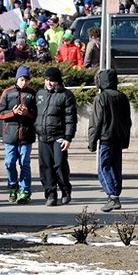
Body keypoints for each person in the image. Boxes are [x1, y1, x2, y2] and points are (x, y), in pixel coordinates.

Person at [88, 69, 132, 212]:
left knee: (103, 167)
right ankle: (115, 194)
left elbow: (96, 122)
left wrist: (92, 141)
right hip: (119, 138)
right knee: (115, 167)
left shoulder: (101, 98)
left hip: (106, 138)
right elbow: (127, 121)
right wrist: (126, 140)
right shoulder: (122, 97)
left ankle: (112, 196)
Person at [36, 67, 77, 206]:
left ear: (58, 81)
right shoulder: (40, 94)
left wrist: (68, 137)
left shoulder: (66, 95)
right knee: (45, 167)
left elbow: (70, 119)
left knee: (59, 165)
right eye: (47, 80)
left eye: (52, 80)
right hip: (43, 137)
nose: (49, 83)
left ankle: (65, 190)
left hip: (59, 136)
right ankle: (51, 194)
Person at [0, 66, 38, 204]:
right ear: (17, 79)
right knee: (9, 163)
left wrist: (28, 113)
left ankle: (25, 190)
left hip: (26, 135)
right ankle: (13, 187)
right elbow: (0, 113)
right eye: (21, 79)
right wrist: (13, 112)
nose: (24, 82)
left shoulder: (33, 93)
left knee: (25, 163)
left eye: (26, 80)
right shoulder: (7, 93)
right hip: (10, 135)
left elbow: (37, 114)